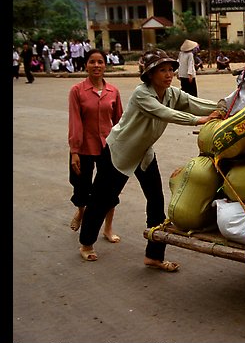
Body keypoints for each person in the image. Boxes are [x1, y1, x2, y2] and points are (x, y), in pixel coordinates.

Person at [76, 48, 223, 269]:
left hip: (144, 153)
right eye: (162, 70)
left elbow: (196, 102)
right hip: (119, 153)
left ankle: (153, 255)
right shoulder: (142, 94)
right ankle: (86, 243)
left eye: (170, 69)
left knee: (156, 202)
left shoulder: (172, 93)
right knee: (102, 200)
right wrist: (199, 120)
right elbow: (165, 113)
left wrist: (225, 108)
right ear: (150, 74)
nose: (168, 74)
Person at [68, 49, 123, 244]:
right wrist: (74, 151)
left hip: (107, 147)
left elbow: (119, 121)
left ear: (105, 65)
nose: (96, 65)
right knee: (81, 187)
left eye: (100, 62)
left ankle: (107, 229)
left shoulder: (113, 91)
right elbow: (75, 121)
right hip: (83, 147)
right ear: (86, 65)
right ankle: (82, 210)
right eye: (92, 62)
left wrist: (123, 146)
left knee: (109, 190)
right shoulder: (77, 91)